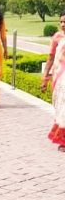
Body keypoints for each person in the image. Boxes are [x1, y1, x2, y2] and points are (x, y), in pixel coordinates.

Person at [41, 11, 65, 151]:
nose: (63, 24)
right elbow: (50, 58)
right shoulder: (57, 37)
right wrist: (45, 77)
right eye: (61, 22)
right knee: (60, 106)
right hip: (59, 77)